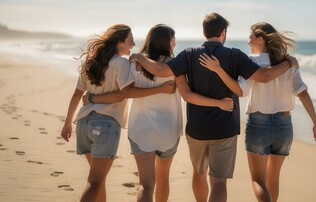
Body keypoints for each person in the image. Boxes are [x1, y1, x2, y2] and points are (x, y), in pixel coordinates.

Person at [129, 13, 298, 202]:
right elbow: (265, 76)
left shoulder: (189, 54)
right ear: (223, 33)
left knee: (199, 174)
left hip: (197, 129)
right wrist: (288, 63)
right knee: (219, 183)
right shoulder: (235, 55)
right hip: (225, 129)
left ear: (203, 32)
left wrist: (139, 57)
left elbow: (161, 71)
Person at [84, 24, 234, 202]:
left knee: (145, 185)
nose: (175, 42)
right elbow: (188, 93)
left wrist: (93, 98)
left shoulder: (134, 64)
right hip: (168, 130)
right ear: (169, 42)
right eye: (174, 39)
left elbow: (123, 91)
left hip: (140, 128)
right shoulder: (177, 65)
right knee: (163, 179)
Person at [199, 22, 316, 202]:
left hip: (259, 124)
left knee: (258, 180)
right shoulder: (288, 62)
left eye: (250, 37)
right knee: (273, 179)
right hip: (284, 125)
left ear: (260, 39)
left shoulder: (252, 61)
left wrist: (219, 71)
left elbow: (240, 90)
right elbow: (302, 92)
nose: (248, 41)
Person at [60, 24, 136, 202]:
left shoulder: (90, 62)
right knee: (95, 182)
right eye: (130, 39)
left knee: (98, 181)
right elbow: (123, 94)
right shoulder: (121, 63)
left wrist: (67, 123)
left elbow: (78, 94)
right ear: (119, 42)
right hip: (105, 126)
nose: (133, 43)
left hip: (83, 124)